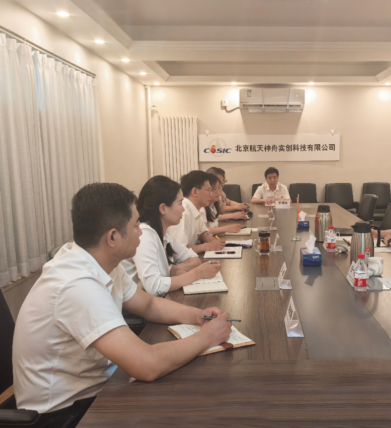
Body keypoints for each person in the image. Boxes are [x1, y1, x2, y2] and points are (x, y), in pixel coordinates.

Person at [12, 183, 232, 426]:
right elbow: (146, 365)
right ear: (112, 237)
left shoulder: (100, 261)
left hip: (98, 388)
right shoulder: (76, 285)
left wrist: (198, 315)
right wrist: (208, 336)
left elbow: (148, 305)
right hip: (64, 414)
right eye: (136, 225)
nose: (141, 232)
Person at [122, 176, 222, 297]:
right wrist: (198, 273)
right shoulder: (144, 234)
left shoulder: (164, 232)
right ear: (163, 208)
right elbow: (154, 287)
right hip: (135, 304)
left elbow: (194, 259)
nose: (183, 209)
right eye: (180, 203)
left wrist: (171, 269)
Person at [167, 171, 227, 254]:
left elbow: (202, 231)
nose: (211, 194)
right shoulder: (183, 212)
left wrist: (207, 237)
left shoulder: (195, 209)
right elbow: (179, 249)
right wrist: (207, 246)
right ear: (195, 192)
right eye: (209, 190)